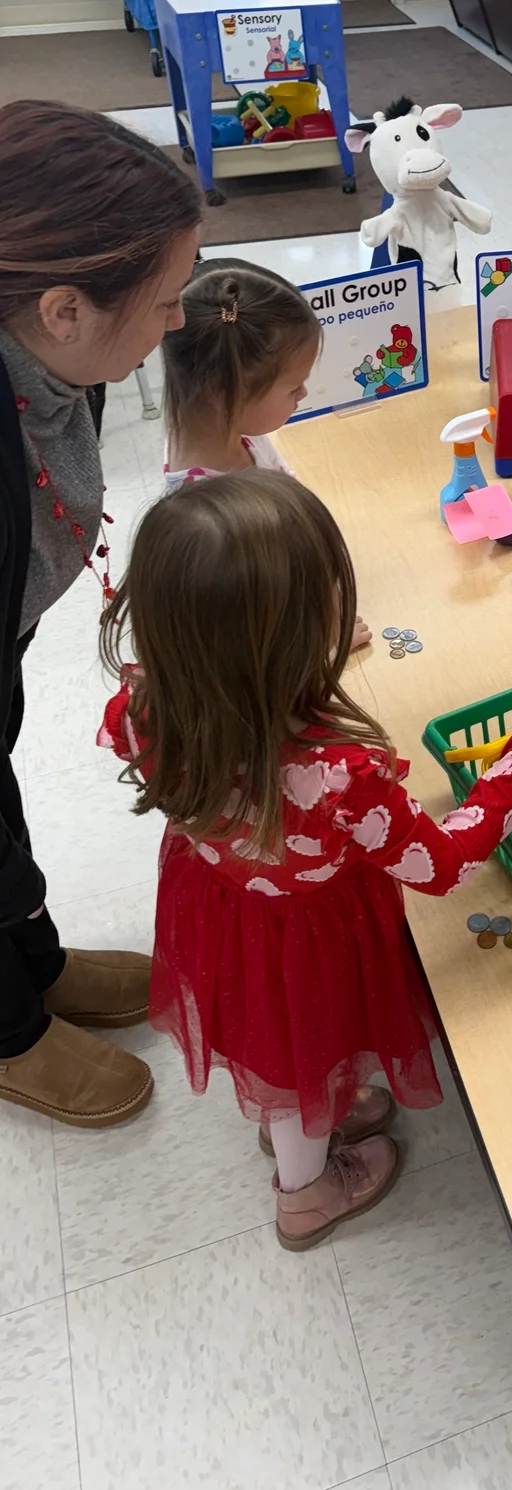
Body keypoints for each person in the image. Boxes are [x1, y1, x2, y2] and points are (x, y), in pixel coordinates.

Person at [97, 471, 512, 1249]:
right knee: (300, 1055)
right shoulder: (340, 776)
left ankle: (311, 1110)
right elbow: (443, 866)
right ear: (284, 645)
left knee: (287, 1054)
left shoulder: (142, 708)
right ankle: (305, 1192)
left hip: (220, 911)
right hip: (307, 941)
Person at [0, 100, 202, 1126]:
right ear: (66, 307)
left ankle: (34, 954)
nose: (178, 322)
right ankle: (8, 1026)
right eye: (165, 301)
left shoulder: (55, 362)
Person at [160, 259, 373, 649]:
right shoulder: (209, 521)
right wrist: (319, 642)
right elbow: (247, 644)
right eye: (294, 388)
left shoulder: (230, 429)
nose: (303, 395)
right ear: (226, 390)